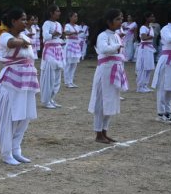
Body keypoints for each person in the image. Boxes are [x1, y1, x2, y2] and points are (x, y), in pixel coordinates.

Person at [0, 8, 38, 165]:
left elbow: (30, 56)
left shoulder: (25, 36)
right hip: (10, 80)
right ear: (13, 21)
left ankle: (16, 150)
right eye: (23, 19)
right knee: (10, 116)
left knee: (24, 116)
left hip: (26, 79)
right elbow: (11, 43)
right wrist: (24, 42)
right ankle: (6, 153)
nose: (26, 22)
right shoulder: (4, 35)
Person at [89, 9, 128, 143]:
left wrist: (119, 45)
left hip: (116, 70)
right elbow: (104, 49)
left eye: (121, 19)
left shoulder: (116, 35)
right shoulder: (103, 35)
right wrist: (118, 46)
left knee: (110, 101)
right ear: (109, 21)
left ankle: (105, 131)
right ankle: (98, 133)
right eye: (118, 19)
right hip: (105, 71)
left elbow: (119, 50)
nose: (120, 21)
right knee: (101, 102)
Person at [39, 5, 65, 108]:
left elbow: (60, 36)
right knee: (49, 76)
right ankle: (46, 101)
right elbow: (46, 36)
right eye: (57, 11)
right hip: (49, 51)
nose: (59, 13)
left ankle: (51, 98)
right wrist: (54, 34)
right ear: (51, 13)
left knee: (57, 77)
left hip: (58, 51)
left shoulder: (58, 24)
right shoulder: (46, 23)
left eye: (59, 11)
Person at [135, 13, 156, 93]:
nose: (152, 17)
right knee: (143, 67)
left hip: (149, 48)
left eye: (153, 16)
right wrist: (150, 36)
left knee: (149, 67)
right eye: (151, 16)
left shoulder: (150, 27)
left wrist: (150, 36)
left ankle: (145, 85)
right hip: (144, 48)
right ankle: (140, 86)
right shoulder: (143, 27)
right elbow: (143, 38)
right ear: (146, 18)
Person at [63, 11, 81, 87]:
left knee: (74, 64)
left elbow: (79, 35)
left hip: (76, 46)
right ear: (70, 17)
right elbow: (66, 33)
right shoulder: (67, 25)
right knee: (68, 64)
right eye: (74, 16)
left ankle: (71, 81)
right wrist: (73, 33)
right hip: (70, 45)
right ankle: (67, 82)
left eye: (76, 16)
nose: (76, 18)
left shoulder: (77, 26)